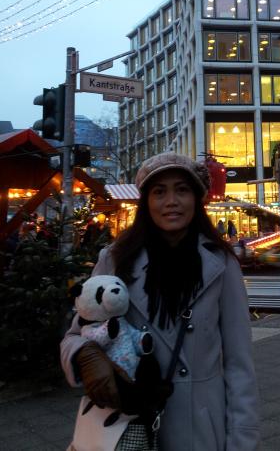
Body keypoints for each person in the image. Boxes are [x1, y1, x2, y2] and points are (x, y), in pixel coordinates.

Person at [61, 152, 259, 451]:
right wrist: (86, 357)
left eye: (182, 190)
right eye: (159, 192)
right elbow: (76, 334)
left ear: (196, 198)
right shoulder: (116, 259)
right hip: (128, 425)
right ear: (146, 202)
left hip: (200, 427)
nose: (171, 201)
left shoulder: (221, 264)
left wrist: (243, 441)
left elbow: (239, 363)